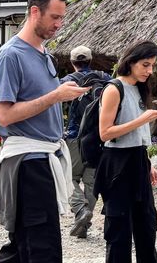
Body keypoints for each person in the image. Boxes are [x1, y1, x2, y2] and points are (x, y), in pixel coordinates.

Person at [0, 0, 90, 263]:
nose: (59, 24)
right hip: (28, 162)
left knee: (21, 247)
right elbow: (4, 115)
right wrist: (56, 95)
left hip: (44, 157)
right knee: (41, 248)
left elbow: (41, 98)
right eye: (54, 17)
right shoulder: (11, 55)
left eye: (62, 18)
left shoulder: (45, 54)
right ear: (35, 12)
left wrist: (64, 89)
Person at [97, 40, 157, 263]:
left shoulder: (139, 88)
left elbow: (137, 136)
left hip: (138, 160)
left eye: (152, 66)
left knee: (146, 228)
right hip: (117, 165)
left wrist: (148, 163)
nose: (149, 71)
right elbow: (105, 132)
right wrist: (143, 119)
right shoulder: (113, 89)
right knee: (119, 233)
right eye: (145, 65)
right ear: (130, 62)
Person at [63, 45, 110, 239]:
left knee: (68, 178)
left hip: (74, 137)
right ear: (91, 60)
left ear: (73, 63)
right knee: (91, 182)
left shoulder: (67, 81)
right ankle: (82, 224)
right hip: (97, 138)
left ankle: (80, 210)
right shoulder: (106, 79)